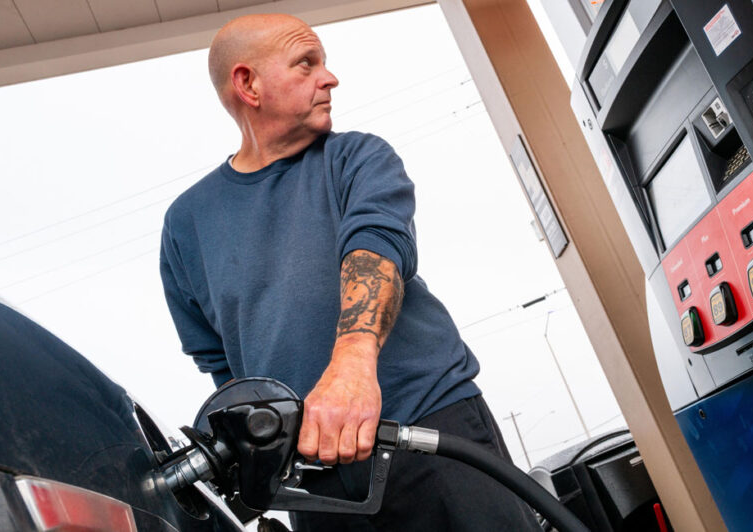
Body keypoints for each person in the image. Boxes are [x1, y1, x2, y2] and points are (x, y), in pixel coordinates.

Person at [159, 13, 540, 531]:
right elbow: (225, 368)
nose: (329, 78)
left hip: (427, 428)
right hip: (314, 484)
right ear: (248, 84)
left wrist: (353, 368)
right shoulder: (187, 224)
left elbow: (376, 248)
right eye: (306, 64)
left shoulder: (357, 158)